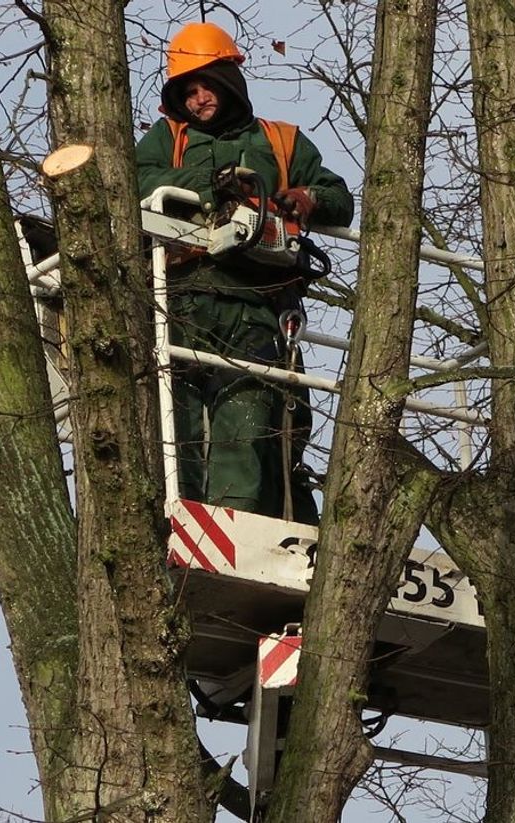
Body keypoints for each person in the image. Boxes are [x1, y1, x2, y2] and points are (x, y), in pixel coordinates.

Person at [136, 22, 354, 524]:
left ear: (227, 79)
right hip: (184, 298)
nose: (197, 100)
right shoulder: (166, 140)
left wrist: (307, 198)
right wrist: (211, 185)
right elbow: (136, 182)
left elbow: (339, 198)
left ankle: (237, 525)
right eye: (187, 92)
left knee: (249, 419)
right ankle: (182, 523)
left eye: (204, 85)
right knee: (178, 420)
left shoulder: (282, 141)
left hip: (261, 305)